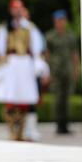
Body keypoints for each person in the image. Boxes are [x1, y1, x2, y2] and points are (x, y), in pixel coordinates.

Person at [0, 0, 40, 141]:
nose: (17, 11)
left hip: (24, 63)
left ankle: (22, 131)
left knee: (24, 97)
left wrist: (37, 63)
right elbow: (0, 48)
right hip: (12, 64)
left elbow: (36, 47)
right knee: (11, 97)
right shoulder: (4, 27)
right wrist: (2, 61)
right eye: (15, 8)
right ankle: (12, 130)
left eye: (20, 8)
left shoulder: (30, 28)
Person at [45, 10, 80, 135]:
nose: (60, 23)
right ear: (55, 21)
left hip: (68, 71)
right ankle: (59, 124)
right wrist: (48, 72)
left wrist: (76, 70)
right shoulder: (50, 36)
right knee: (58, 99)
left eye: (63, 20)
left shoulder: (70, 36)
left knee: (67, 99)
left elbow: (75, 54)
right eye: (58, 20)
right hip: (56, 72)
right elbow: (47, 55)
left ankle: (66, 124)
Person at [21, 7, 50, 142]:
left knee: (33, 101)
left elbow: (40, 53)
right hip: (21, 71)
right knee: (21, 102)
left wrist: (45, 70)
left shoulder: (34, 30)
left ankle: (31, 129)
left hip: (34, 70)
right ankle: (21, 129)